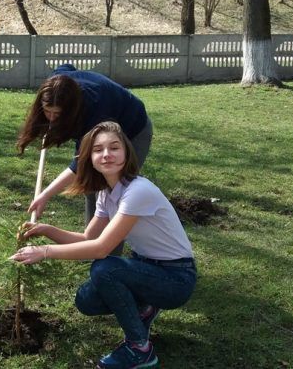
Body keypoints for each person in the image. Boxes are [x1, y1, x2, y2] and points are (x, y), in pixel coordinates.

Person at [10, 121, 196, 369]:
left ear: (127, 152)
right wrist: (47, 230)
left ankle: (140, 348)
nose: (106, 154)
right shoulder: (106, 194)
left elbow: (100, 249)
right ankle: (145, 306)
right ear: (89, 157)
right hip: (147, 268)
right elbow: (89, 238)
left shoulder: (138, 191)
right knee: (86, 300)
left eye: (114, 147)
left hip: (176, 278)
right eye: (98, 150)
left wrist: (44, 252)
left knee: (105, 269)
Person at [17, 64, 153, 231]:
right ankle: (91, 243)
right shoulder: (58, 83)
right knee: (92, 184)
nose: (51, 118)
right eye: (47, 111)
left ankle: (108, 252)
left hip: (133, 130)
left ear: (71, 109)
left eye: (57, 114)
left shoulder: (95, 113)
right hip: (104, 118)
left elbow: (79, 165)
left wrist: (45, 195)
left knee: (114, 191)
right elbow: (66, 66)